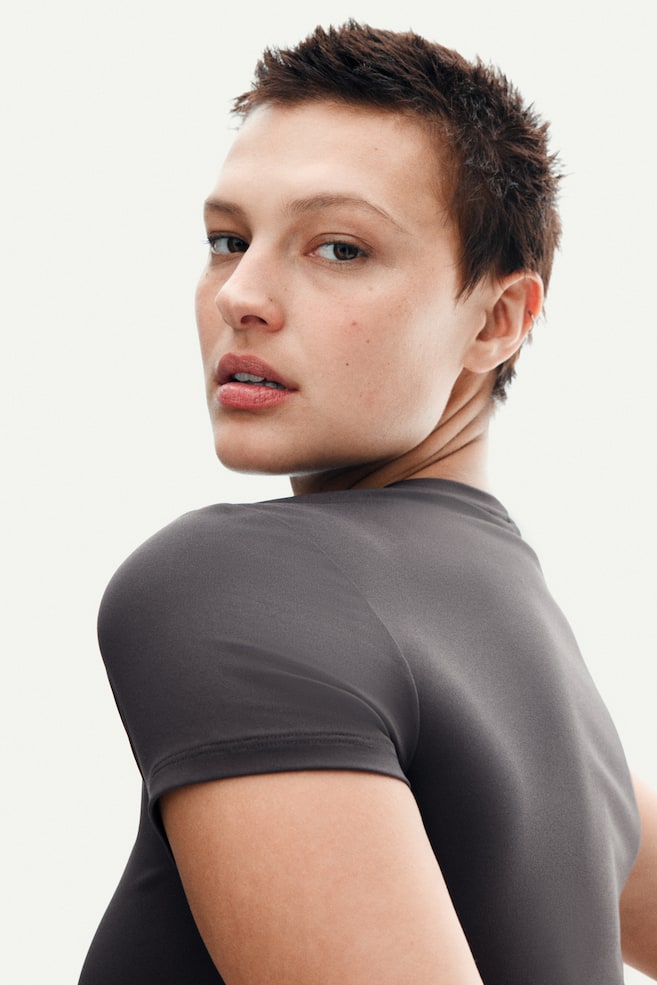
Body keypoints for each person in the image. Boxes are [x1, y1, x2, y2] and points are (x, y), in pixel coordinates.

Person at [78, 21, 657, 985]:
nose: (240, 295)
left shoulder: (234, 584)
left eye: (339, 248)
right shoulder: (543, 674)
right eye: (228, 240)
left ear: (497, 319)